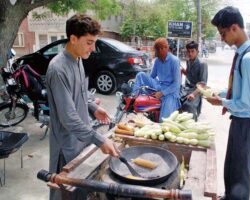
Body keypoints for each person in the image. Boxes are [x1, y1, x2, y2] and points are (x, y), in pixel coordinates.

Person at [45, 14, 119, 200]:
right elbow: (68, 118)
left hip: (81, 141)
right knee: (63, 192)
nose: (93, 49)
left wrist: (94, 108)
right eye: (89, 42)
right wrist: (99, 139)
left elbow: (81, 94)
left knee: (80, 192)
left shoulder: (78, 60)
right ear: (73, 39)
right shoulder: (58, 69)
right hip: (66, 146)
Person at [206, 7, 250, 200]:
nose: (222, 39)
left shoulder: (249, 59)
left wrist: (222, 101)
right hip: (240, 122)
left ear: (234, 28)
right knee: (231, 170)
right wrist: (220, 93)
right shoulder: (242, 54)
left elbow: (247, 103)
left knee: (240, 177)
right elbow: (239, 92)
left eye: (223, 34)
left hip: (246, 124)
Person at [132, 37, 181, 121]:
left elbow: (177, 84)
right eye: (156, 50)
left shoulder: (174, 61)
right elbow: (152, 77)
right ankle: (133, 98)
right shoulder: (157, 61)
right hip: (159, 86)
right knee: (140, 75)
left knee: (164, 121)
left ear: (165, 48)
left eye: (157, 50)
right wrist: (138, 81)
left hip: (171, 93)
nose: (156, 52)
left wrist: (162, 93)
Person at [180, 41, 208, 121]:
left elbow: (203, 83)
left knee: (188, 105)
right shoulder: (188, 61)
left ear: (197, 52)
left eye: (192, 51)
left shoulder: (202, 64)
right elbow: (189, 74)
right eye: (188, 51)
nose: (190, 54)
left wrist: (193, 94)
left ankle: (193, 125)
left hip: (196, 90)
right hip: (186, 89)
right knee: (175, 100)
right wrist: (183, 70)